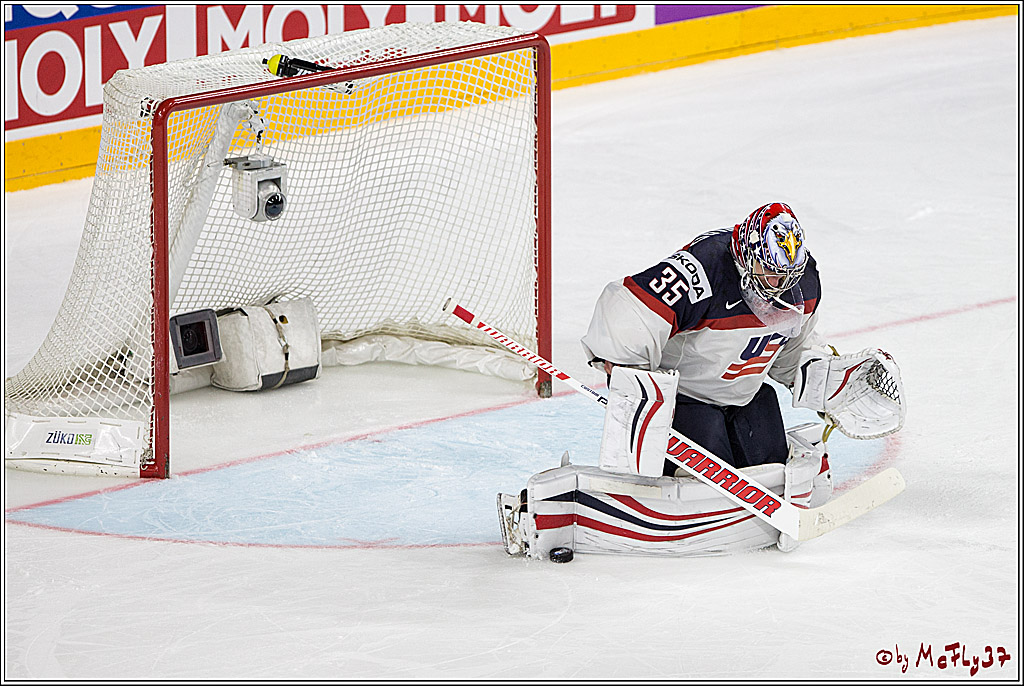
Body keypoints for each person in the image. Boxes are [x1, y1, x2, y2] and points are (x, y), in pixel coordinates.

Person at [580, 201, 821, 475]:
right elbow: (630, 308)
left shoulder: (805, 283)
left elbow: (790, 353)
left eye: (786, 275)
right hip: (687, 397)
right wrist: (627, 372)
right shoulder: (703, 268)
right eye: (769, 272)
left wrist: (823, 378)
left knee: (771, 461)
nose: (777, 285)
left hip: (743, 396)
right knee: (709, 466)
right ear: (747, 254)